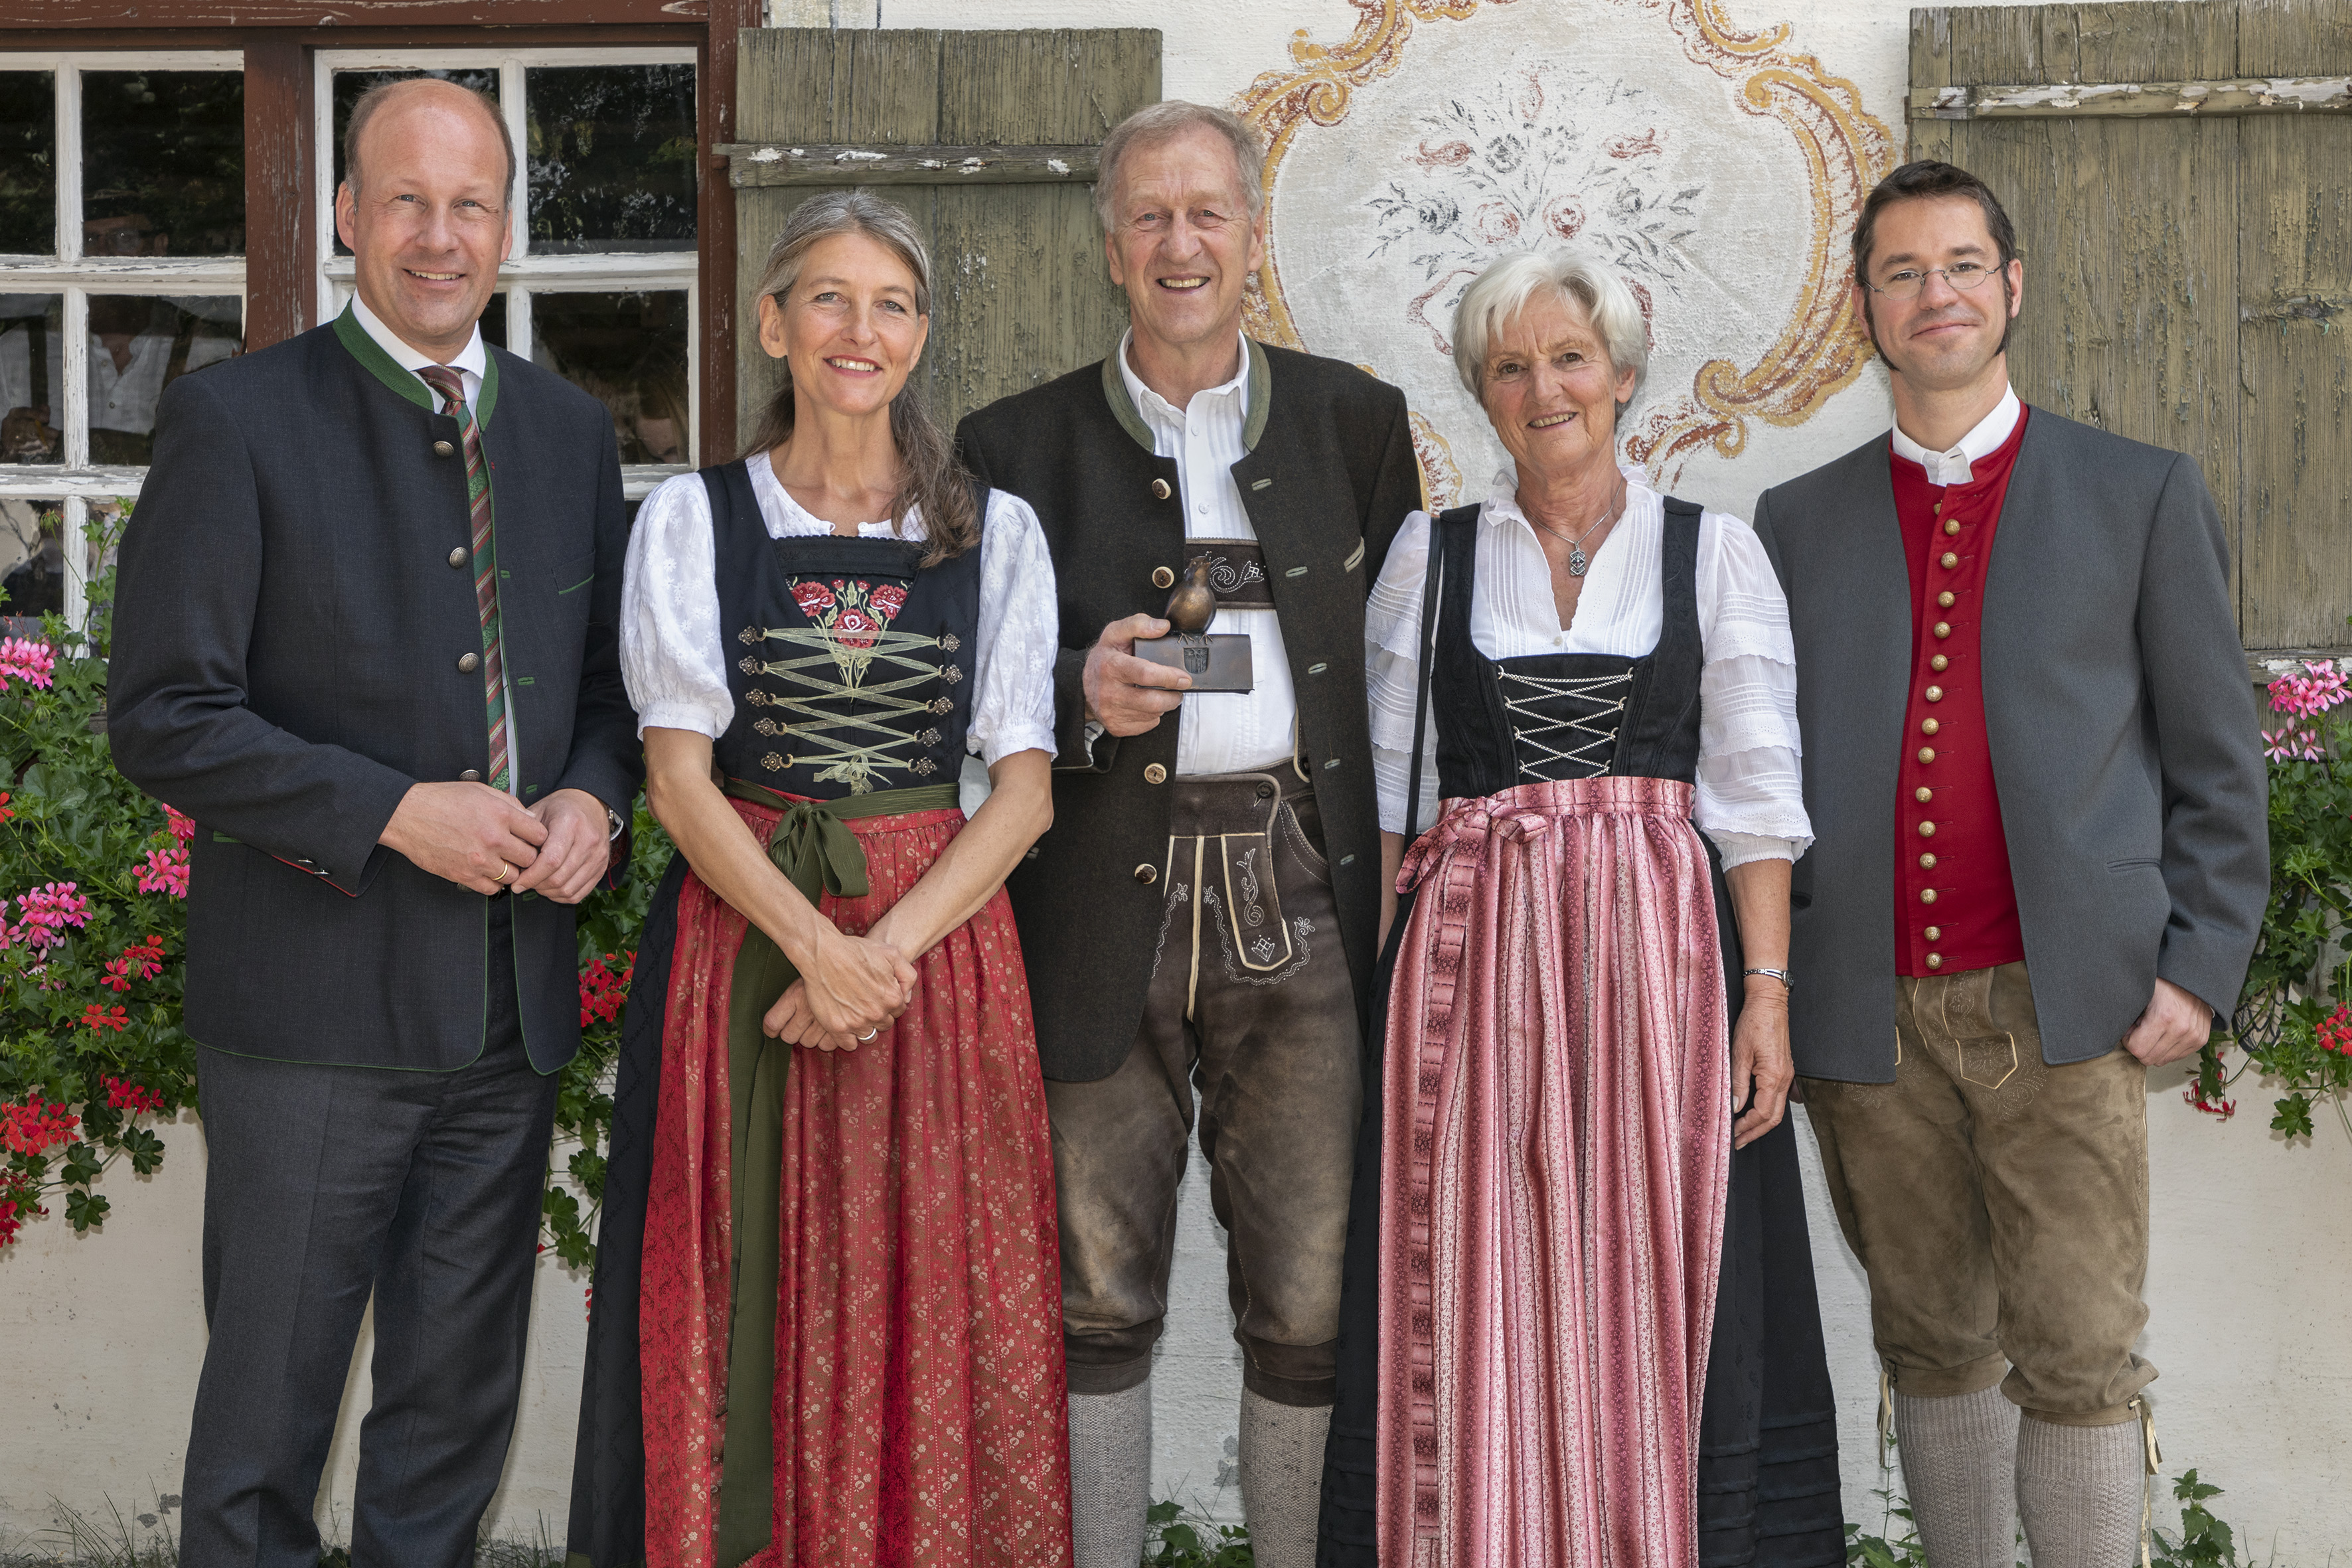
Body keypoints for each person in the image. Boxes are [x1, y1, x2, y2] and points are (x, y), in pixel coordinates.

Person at [106, 78, 640, 1568]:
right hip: (309, 1015)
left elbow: (606, 695)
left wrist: (596, 796)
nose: (438, 234)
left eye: (470, 204)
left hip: (503, 1013)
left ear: (507, 228)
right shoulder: (235, 417)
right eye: (404, 200)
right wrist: (396, 810)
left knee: (448, 1424)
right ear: (345, 217)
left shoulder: (565, 432)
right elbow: (163, 711)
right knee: (265, 1433)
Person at [1752, 161, 2268, 1567]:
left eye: (1961, 265)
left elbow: (2219, 761)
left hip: (2071, 1003)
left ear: (2011, 286)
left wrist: (2198, 969)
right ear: (1863, 305)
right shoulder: (1793, 525)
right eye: (1903, 272)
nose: (1935, 294)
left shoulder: (2137, 492)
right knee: (1927, 1339)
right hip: (1865, 1013)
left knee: (2080, 1352)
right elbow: (1756, 774)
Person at [565, 190, 1071, 1568]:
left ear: (920, 338)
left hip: (938, 947)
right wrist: (814, 944)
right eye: (830, 298)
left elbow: (1019, 792)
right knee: (743, 1270)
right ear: (776, 324)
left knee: (930, 1281)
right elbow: (677, 779)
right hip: (749, 937)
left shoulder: (996, 534)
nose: (862, 328)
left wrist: (879, 954)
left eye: (892, 303)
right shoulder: (693, 518)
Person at [1320, 247, 1846, 1568]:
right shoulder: (1428, 563)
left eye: (1565, 358)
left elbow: (1753, 790)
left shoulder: (1708, 553)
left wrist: (1764, 993)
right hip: (1472, 984)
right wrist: (1380, 1019)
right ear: (1479, 393)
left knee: (1655, 1276)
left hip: (1659, 978)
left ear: (1620, 376)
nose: (1540, 386)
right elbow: (1388, 804)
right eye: (1508, 366)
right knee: (1476, 1284)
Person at [955, 102, 1423, 1568]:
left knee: (1308, 1295)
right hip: (1097, 893)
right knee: (1090, 1293)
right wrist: (1071, 693)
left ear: (1250, 231)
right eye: (1149, 216)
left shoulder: (1353, 418)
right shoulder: (1009, 443)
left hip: (1301, 889)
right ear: (1108, 247)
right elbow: (962, 690)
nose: (1179, 243)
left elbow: (1402, 669)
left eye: (1206, 212)